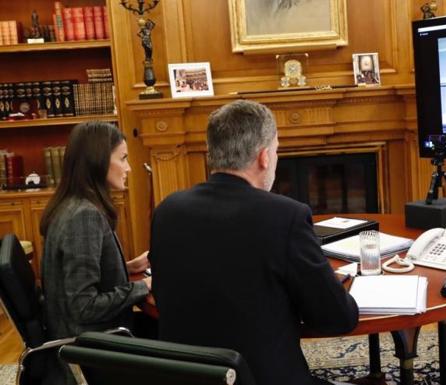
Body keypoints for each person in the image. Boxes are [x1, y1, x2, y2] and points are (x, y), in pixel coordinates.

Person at [148, 100, 359, 385]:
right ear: (264, 157)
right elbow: (338, 317)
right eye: (276, 150)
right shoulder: (286, 216)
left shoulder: (166, 211)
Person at [39, 121, 152, 385]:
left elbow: (75, 277)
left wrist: (127, 267)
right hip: (94, 350)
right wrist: (144, 286)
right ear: (98, 161)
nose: (129, 168)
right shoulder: (84, 216)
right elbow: (83, 306)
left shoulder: (70, 205)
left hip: (89, 339)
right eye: (123, 158)